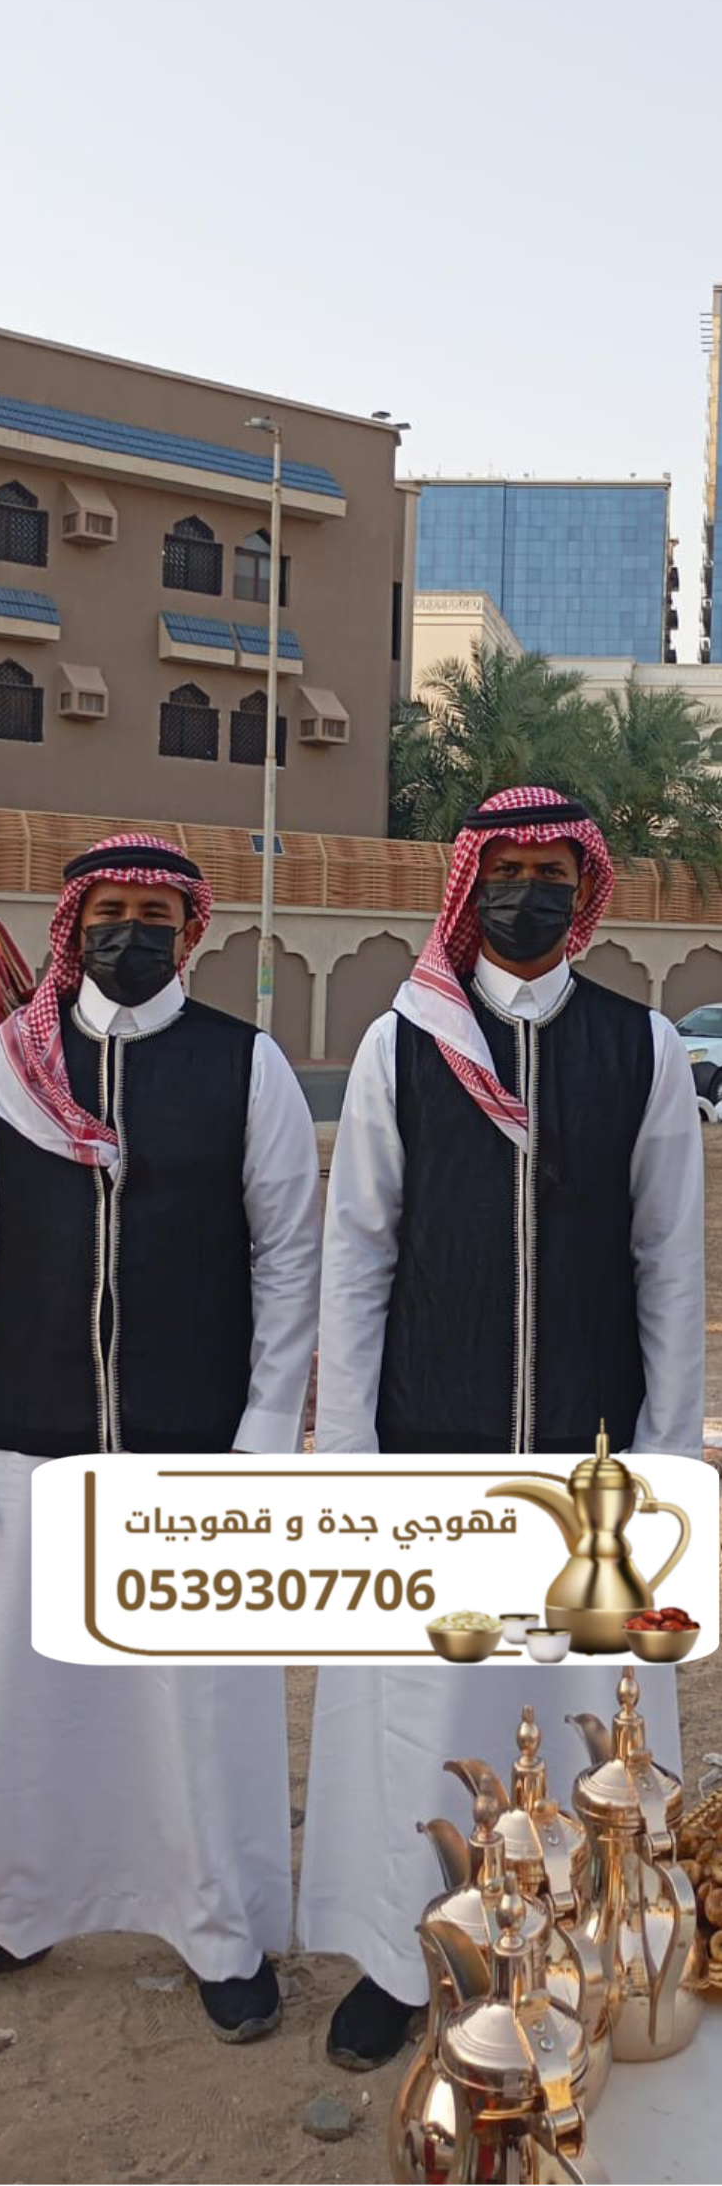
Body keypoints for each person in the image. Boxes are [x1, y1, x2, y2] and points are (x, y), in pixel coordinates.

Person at [0, 833, 321, 2042]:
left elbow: (290, 1258)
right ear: (76, 923)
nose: (131, 930)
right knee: (8, 1706)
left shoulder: (244, 1064)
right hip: (23, 1438)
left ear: (190, 930)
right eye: (110, 909)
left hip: (191, 1444)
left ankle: (220, 1929)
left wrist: (262, 1440)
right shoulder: (8, 1064)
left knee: (199, 1708)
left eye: (154, 912)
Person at [298, 784, 704, 2069]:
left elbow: (667, 1262)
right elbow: (357, 1253)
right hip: (430, 1438)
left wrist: (668, 1454)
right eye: (506, 871)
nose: (526, 893)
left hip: (590, 1452)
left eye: (550, 873)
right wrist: (347, 1454)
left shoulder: (638, 1045)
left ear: (582, 890)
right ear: (469, 885)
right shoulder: (402, 1042)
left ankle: (592, 1941)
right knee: (422, 1712)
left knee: (587, 1706)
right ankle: (400, 1953)